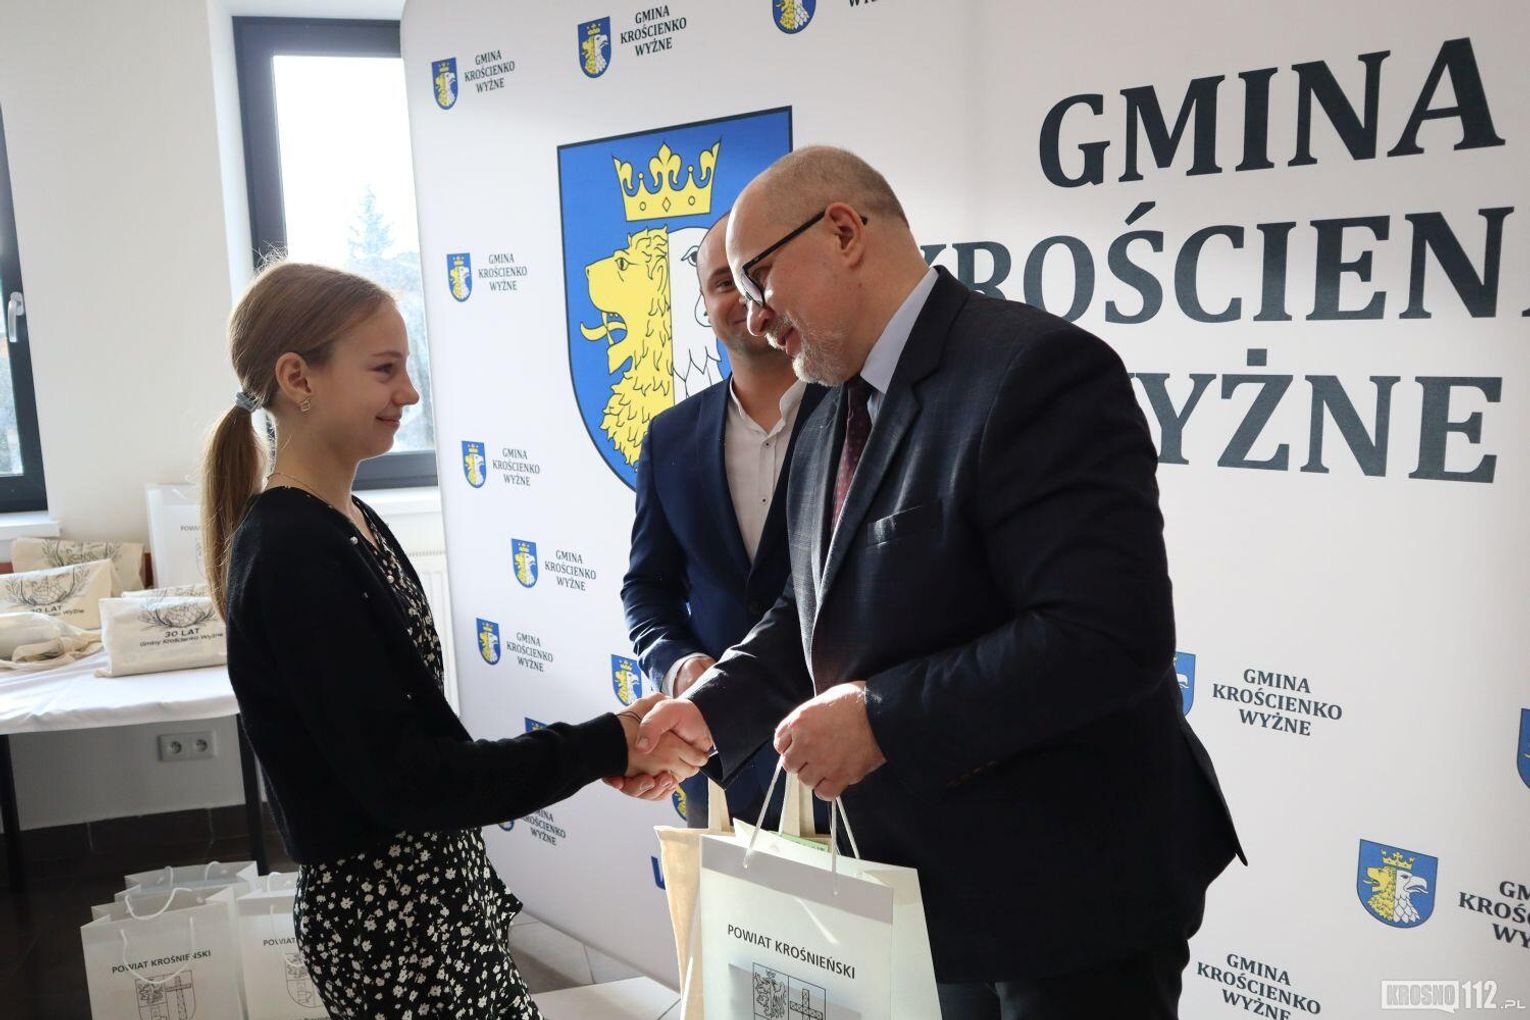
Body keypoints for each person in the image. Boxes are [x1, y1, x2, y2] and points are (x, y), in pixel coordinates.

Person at [615, 148, 1245, 1018]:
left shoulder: (1037, 373)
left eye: (759, 279)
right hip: (927, 893)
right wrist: (711, 709)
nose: (753, 318)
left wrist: (880, 718)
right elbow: (809, 607)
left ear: (844, 233)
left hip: (1073, 897)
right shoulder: (829, 401)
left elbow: (1105, 635)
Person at [206, 261, 703, 1020]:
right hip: (392, 927)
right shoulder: (292, 554)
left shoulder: (350, 523)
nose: (409, 394)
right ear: (298, 378)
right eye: (384, 370)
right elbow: (411, 781)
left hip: (434, 901)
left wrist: (614, 740)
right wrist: (608, 743)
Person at [623, 212, 826, 831]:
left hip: (844, 761)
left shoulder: (863, 413)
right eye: (721, 282)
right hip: (716, 766)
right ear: (703, 305)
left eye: (755, 275)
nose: (742, 296)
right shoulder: (670, 436)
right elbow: (647, 589)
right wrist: (680, 666)